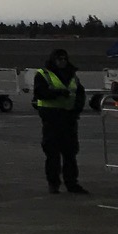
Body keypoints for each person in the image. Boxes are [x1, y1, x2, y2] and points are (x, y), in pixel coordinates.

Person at [32, 48, 89, 194]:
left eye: (64, 59)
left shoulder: (72, 75)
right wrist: (57, 93)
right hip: (51, 119)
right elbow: (39, 93)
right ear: (54, 60)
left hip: (69, 119)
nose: (62, 62)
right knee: (52, 154)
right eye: (59, 59)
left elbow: (80, 93)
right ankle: (53, 183)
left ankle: (72, 183)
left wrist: (77, 109)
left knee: (70, 153)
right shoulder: (43, 74)